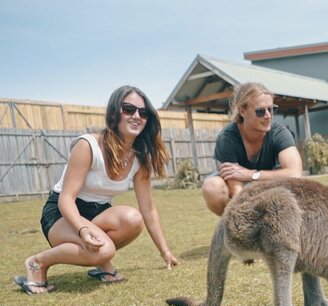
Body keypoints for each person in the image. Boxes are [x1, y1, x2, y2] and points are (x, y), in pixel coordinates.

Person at [13, 85, 178, 294]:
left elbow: (148, 210)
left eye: (143, 113)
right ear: (114, 112)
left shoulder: (139, 157)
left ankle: (100, 259)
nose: (137, 116)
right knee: (105, 249)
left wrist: (165, 251)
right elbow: (66, 199)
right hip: (62, 215)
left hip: (97, 214)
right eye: (129, 109)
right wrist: (82, 230)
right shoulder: (88, 145)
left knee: (134, 219)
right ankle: (37, 263)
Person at [201, 82, 303, 216]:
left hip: (268, 182)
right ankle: (232, 225)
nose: (268, 116)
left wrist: (251, 174)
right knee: (212, 187)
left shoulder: (279, 133)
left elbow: (295, 173)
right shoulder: (228, 138)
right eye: (260, 111)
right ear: (242, 111)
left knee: (299, 188)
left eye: (271, 109)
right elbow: (236, 191)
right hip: (239, 187)